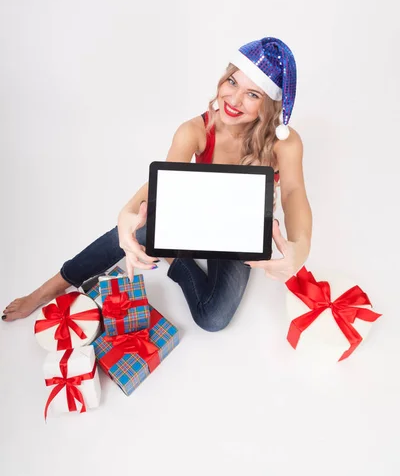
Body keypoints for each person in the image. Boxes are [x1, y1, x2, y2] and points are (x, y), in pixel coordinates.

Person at [3, 37, 312, 331]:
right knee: (133, 227)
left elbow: (293, 191)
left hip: (241, 229)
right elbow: (160, 184)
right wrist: (126, 212)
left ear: (269, 104)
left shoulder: (285, 142)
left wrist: (301, 246)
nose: (234, 99)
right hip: (197, 210)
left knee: (213, 319)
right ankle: (51, 287)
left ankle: (171, 254)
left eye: (253, 94)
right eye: (232, 81)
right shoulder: (194, 131)